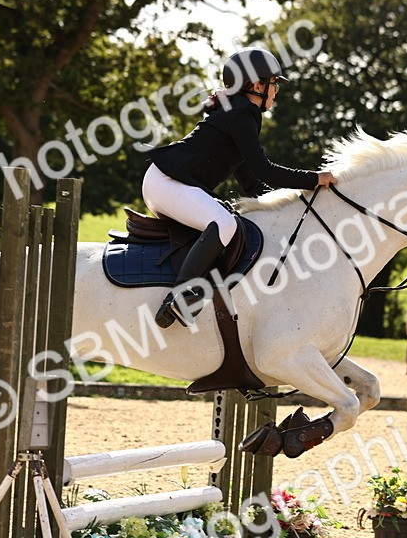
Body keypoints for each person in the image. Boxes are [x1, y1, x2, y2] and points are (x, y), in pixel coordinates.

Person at [143, 47, 337, 328]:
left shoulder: (237, 113)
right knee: (224, 223)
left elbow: (252, 184)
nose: (275, 92)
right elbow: (266, 170)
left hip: (166, 182)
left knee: (229, 220)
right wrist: (314, 179)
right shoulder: (243, 114)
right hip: (167, 182)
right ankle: (178, 298)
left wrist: (294, 205)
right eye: (273, 84)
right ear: (257, 86)